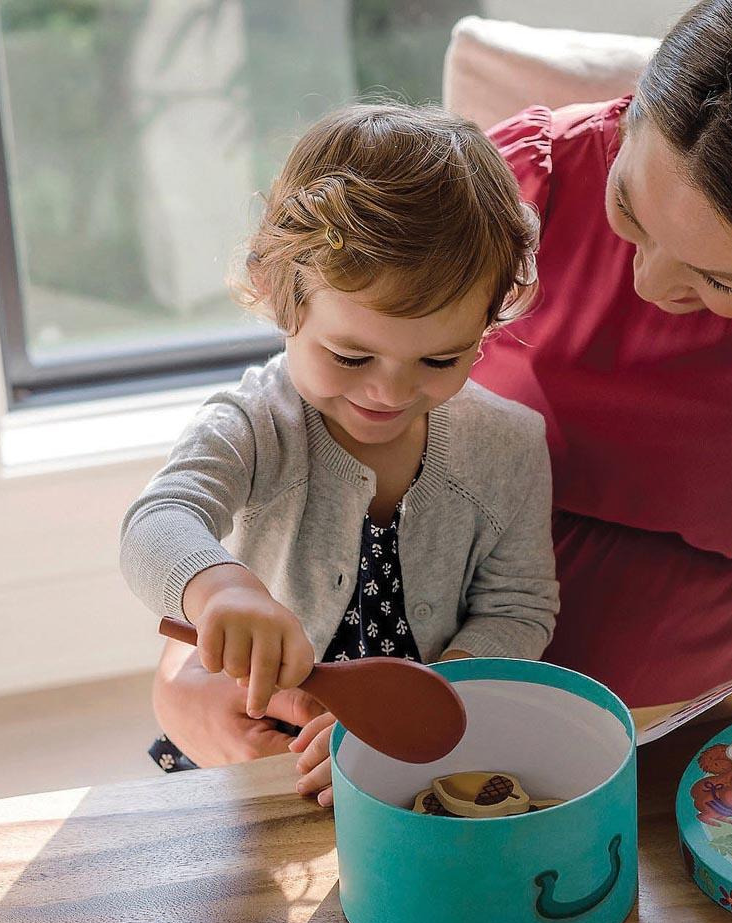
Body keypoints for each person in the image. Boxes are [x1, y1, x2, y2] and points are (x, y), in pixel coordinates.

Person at [152, 0, 732, 779]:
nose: (646, 284)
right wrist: (183, 678)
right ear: (634, 109)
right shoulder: (523, 183)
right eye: (629, 211)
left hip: (707, 764)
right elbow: (284, 445)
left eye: (718, 279)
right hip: (396, 740)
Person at [121, 103, 558, 799]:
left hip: (418, 755)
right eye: (351, 355)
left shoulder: (509, 445)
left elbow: (521, 606)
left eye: (441, 360)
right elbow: (157, 521)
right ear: (276, 290)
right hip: (262, 734)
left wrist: (441, 701)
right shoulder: (258, 423)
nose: (391, 390)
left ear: (491, 319)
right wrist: (221, 588)